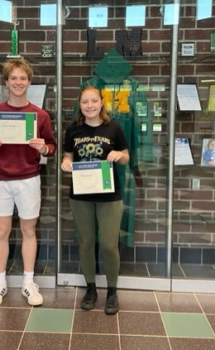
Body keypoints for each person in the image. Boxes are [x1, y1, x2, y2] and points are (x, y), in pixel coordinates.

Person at [0, 58, 56, 308]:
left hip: (29, 179)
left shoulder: (40, 115)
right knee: (1, 231)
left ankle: (29, 282)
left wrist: (44, 148)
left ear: (29, 82)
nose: (18, 82)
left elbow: (51, 147)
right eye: (14, 78)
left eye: (23, 78)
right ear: (6, 82)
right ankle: (0, 282)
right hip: (0, 179)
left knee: (28, 231)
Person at [61, 85, 129, 315]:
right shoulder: (73, 129)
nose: (89, 106)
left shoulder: (114, 127)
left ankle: (112, 290)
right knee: (87, 243)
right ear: (79, 105)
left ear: (101, 102)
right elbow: (68, 156)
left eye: (93, 101)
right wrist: (65, 163)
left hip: (109, 195)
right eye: (84, 102)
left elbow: (126, 157)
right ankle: (91, 288)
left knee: (110, 245)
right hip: (81, 195)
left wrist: (119, 155)